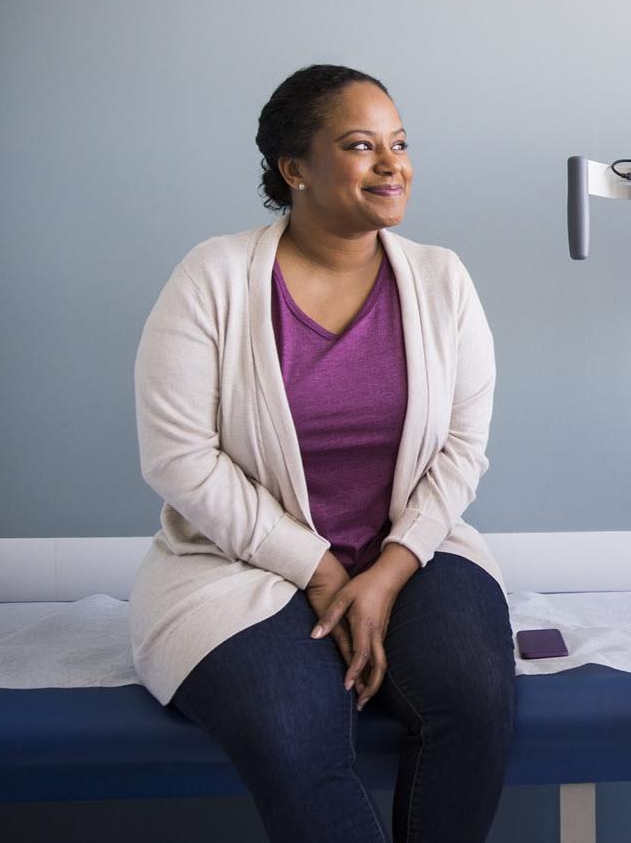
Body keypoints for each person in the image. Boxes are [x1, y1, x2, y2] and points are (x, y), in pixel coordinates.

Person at [130, 65, 512, 843]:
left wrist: (390, 570)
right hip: (238, 566)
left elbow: (464, 450)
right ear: (293, 168)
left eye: (399, 144)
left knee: (473, 702)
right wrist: (321, 568)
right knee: (291, 725)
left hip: (415, 551)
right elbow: (179, 456)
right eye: (361, 145)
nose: (392, 164)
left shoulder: (443, 281)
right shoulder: (214, 278)